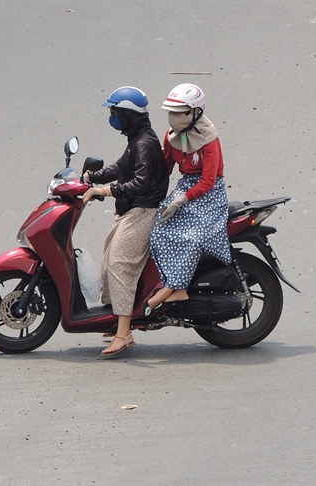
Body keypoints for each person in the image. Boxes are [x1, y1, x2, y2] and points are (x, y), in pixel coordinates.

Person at [83, 86, 169, 357]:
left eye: (114, 111)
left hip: (144, 212)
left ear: (127, 114)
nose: (112, 116)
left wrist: (105, 191)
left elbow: (140, 182)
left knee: (120, 265)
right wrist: (90, 178)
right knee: (109, 256)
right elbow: (121, 167)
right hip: (131, 211)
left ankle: (124, 333)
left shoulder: (144, 143)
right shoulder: (137, 138)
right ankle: (115, 318)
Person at [144, 83, 232, 314]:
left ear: (195, 112)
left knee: (192, 237)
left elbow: (208, 181)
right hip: (184, 187)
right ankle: (167, 283)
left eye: (179, 113)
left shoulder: (209, 139)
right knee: (158, 230)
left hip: (208, 195)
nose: (173, 118)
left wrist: (181, 200)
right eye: (171, 113)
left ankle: (176, 287)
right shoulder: (171, 136)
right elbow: (165, 168)